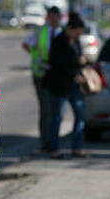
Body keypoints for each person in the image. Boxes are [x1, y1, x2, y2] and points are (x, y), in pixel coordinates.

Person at [44, 12, 88, 159]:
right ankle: (54, 149)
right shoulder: (58, 41)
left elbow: (79, 60)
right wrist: (74, 71)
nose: (77, 36)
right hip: (59, 85)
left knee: (80, 115)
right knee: (57, 117)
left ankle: (77, 148)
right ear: (69, 28)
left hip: (74, 85)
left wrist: (82, 64)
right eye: (76, 33)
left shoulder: (76, 42)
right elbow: (56, 64)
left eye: (80, 34)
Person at [22, 6, 62, 152]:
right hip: (41, 75)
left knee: (56, 110)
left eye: (55, 17)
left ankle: (54, 139)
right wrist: (35, 56)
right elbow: (26, 44)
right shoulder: (40, 32)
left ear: (59, 18)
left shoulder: (62, 33)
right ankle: (46, 142)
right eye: (50, 17)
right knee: (46, 109)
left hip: (57, 76)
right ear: (47, 18)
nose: (52, 20)